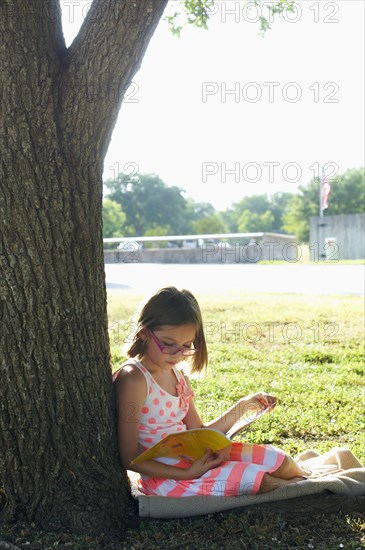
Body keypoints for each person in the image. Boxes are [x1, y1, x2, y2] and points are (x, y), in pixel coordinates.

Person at [114, 286, 310, 497]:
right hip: (167, 477)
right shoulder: (134, 378)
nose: (178, 354)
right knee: (257, 479)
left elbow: (200, 430)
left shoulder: (177, 375)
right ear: (144, 332)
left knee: (279, 460)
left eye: (186, 345)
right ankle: (308, 490)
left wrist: (244, 406)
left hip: (193, 459)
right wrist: (188, 473)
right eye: (168, 344)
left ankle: (306, 482)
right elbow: (129, 457)